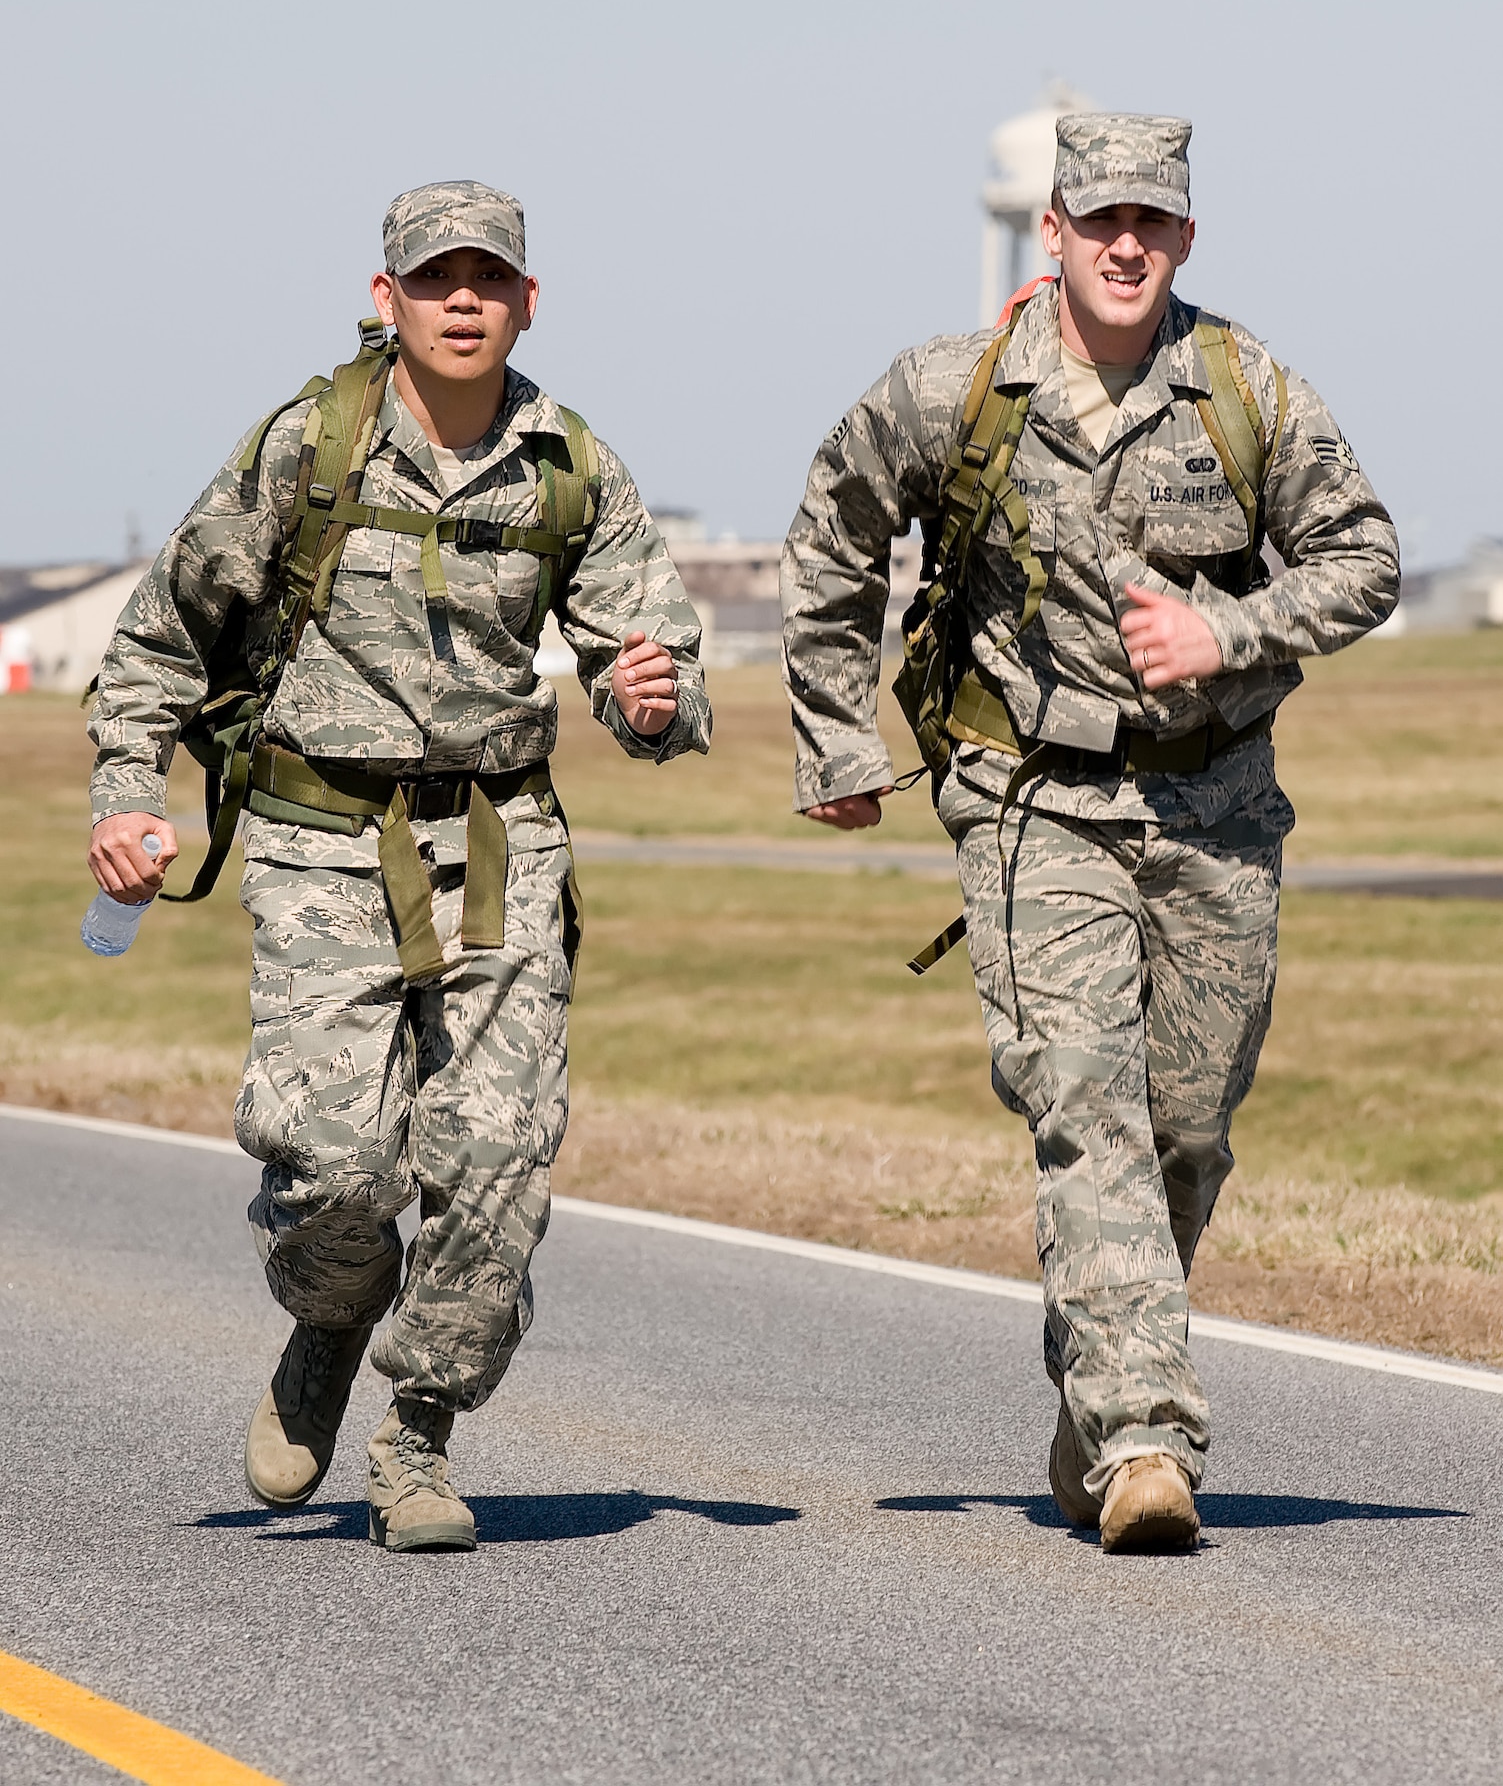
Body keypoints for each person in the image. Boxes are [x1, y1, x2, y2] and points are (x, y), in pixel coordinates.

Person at [780, 116, 1398, 1552]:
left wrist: (1225, 628)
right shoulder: (956, 389)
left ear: (1185, 239)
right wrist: (835, 736)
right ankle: (1141, 1440)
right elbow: (832, 538)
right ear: (1049, 230)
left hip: (1218, 806)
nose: (1127, 244)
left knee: (1186, 1128)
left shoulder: (1249, 390)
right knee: (1086, 1101)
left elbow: (1361, 558)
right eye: (1100, 218)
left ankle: (1099, 1376)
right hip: (1030, 800)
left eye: (1155, 223)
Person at [86, 181, 710, 1551]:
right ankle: (326, 1317)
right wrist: (127, 796)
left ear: (530, 302)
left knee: (496, 1162)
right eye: (437, 279)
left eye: (491, 278)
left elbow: (651, 667)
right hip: (320, 845)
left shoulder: (571, 466)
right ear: (389, 301)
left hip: (498, 844)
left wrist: (653, 702)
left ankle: (417, 1434)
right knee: (333, 1168)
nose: (465, 300)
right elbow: (156, 646)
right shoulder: (306, 446)